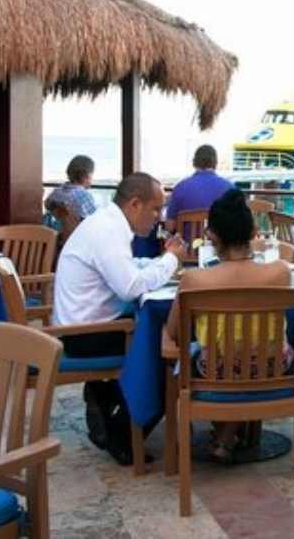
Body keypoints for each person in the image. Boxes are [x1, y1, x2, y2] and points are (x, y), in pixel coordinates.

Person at [53, 173, 188, 465]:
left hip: (81, 325)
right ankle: (124, 435)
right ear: (135, 204)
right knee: (165, 350)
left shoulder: (107, 223)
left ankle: (106, 397)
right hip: (87, 334)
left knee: (159, 332)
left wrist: (156, 264)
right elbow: (130, 286)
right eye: (155, 209)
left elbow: (124, 270)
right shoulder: (107, 231)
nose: (159, 217)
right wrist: (171, 260)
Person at [165, 189, 293, 460]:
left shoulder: (194, 280)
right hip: (272, 369)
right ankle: (228, 434)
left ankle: (224, 432)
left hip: (216, 372)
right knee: (254, 349)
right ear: (253, 231)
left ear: (212, 236)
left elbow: (174, 333)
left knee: (198, 357)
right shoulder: (280, 272)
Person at [165, 145, 234, 232]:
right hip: (220, 245)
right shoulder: (230, 189)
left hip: (187, 245)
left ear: (194, 162)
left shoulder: (180, 188)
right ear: (215, 163)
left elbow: (170, 226)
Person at [43, 155, 97, 233]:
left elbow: (47, 204)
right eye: (92, 174)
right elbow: (94, 222)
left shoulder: (57, 192)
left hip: (56, 238)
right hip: (76, 239)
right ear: (87, 176)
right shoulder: (84, 196)